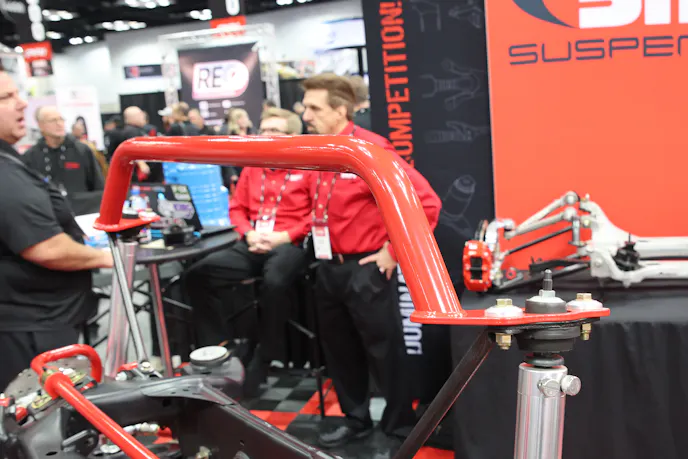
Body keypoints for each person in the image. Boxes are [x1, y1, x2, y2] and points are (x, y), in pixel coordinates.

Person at [301, 73, 442, 447]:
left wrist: (393, 252)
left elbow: (426, 203)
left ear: (340, 110)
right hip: (328, 267)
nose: (305, 115)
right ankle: (356, 419)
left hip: (365, 268)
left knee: (385, 350)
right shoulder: (319, 149)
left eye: (314, 108)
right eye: (305, 107)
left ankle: (399, 423)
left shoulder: (371, 149)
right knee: (340, 351)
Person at [185, 107, 313, 395]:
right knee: (197, 274)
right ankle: (218, 347)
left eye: (274, 130)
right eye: (263, 129)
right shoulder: (253, 168)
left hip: (290, 243)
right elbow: (236, 208)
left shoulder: (308, 167)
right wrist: (249, 233)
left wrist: (286, 236)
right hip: (253, 241)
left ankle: (265, 355)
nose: (266, 135)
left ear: (292, 135)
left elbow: (317, 212)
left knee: (275, 281)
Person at [0, 67, 113, 390]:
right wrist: (109, 258)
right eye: (7, 97)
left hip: (38, 319)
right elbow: (46, 248)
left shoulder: (16, 159)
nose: (22, 104)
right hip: (29, 327)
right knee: (40, 412)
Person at [23, 106, 104, 214]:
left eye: (61, 119)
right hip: (47, 215)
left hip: (83, 215)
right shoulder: (31, 156)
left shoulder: (82, 150)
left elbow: (99, 186)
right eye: (53, 120)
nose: (59, 123)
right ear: (41, 125)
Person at [118, 106, 161, 183]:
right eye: (140, 114)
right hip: (138, 174)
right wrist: (142, 164)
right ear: (133, 117)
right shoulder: (131, 131)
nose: (143, 116)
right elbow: (132, 149)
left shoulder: (136, 130)